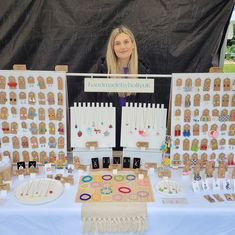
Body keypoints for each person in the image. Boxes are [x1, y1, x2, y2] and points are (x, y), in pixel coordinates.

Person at [77, 25, 156, 150]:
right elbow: (86, 100)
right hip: (106, 136)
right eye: (117, 43)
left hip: (134, 136)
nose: (122, 47)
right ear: (112, 48)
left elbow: (150, 107)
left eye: (126, 42)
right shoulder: (101, 70)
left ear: (133, 44)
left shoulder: (143, 72)